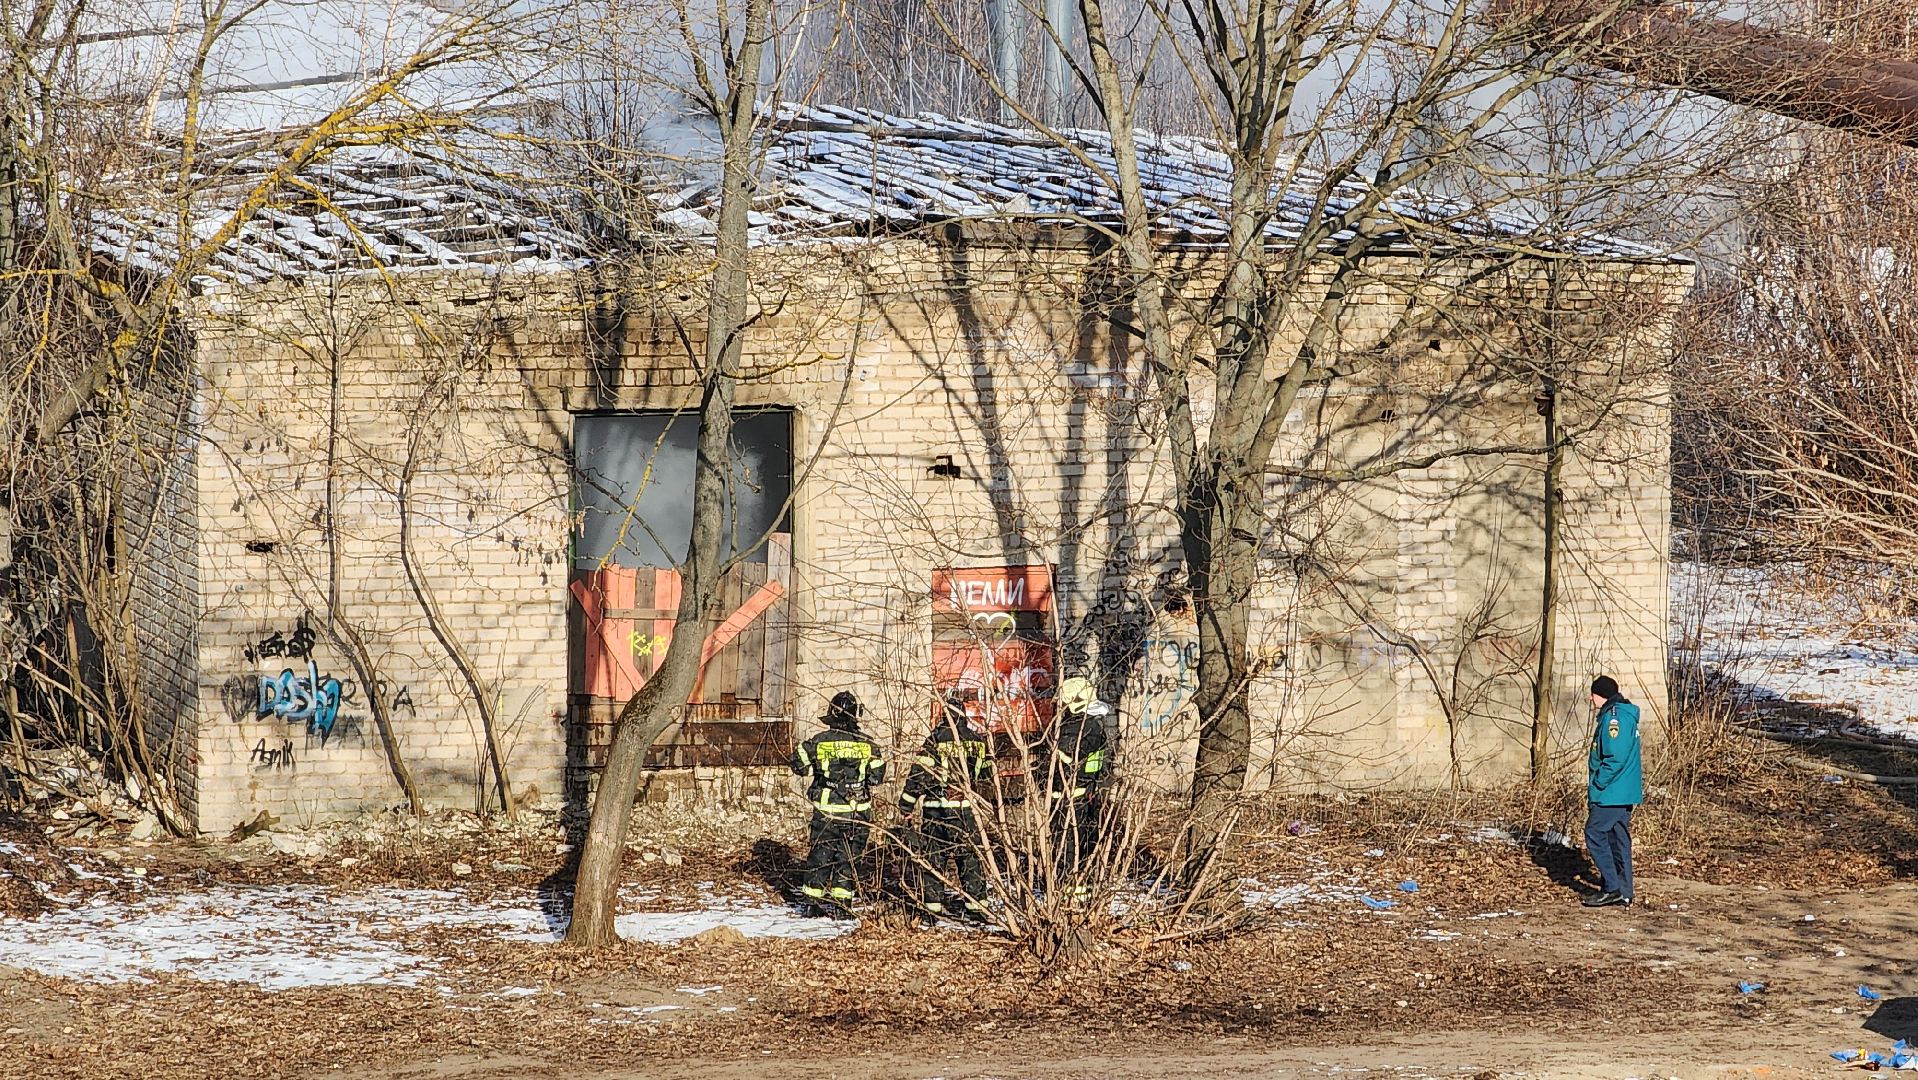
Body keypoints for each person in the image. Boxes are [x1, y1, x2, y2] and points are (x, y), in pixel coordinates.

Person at [898, 696, 994, 922]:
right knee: (970, 859)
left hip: (937, 811)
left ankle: (933, 910)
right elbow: (988, 776)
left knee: (934, 860)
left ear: (944, 715)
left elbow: (918, 777)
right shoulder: (977, 741)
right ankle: (978, 908)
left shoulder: (935, 740)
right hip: (966, 811)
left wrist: (906, 805)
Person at [789, 690, 887, 913]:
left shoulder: (818, 742)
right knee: (848, 859)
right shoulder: (867, 745)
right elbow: (877, 777)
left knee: (821, 856)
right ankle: (843, 905)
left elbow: (798, 764)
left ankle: (813, 905)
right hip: (857, 814)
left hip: (827, 812)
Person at [1042, 676, 1110, 902]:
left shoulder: (1073, 730)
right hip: (1084, 798)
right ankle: (1080, 895)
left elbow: (1052, 766)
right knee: (1082, 848)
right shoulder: (1092, 728)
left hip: (1071, 801)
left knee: (1069, 850)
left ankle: (1070, 896)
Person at [1583, 674, 1642, 908]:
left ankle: (1612, 887)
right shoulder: (1623, 715)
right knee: (1618, 840)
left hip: (1612, 792)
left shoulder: (1614, 719)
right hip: (1623, 791)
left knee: (1594, 833)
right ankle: (1625, 891)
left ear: (1602, 695)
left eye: (1593, 694)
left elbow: (1614, 758)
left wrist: (1598, 782)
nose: (1591, 698)